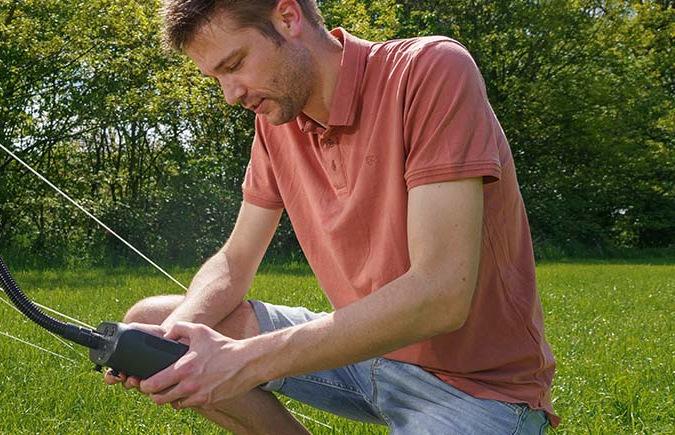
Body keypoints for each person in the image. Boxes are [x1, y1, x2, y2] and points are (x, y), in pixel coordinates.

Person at [102, 0, 559, 433]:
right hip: (365, 356)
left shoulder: (429, 70)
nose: (230, 94)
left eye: (234, 64)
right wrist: (176, 334)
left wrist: (245, 360)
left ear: (287, 17)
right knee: (160, 319)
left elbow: (441, 294)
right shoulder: (276, 121)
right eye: (215, 77)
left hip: (476, 389)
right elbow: (234, 261)